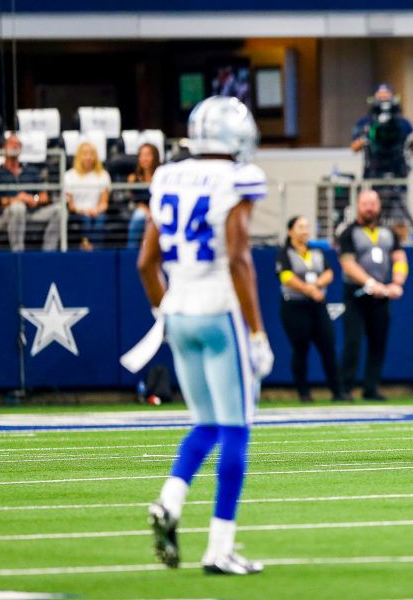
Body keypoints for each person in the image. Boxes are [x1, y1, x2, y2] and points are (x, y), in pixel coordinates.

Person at [137, 95, 272, 575]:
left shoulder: (166, 175)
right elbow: (238, 258)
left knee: (207, 423)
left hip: (178, 309)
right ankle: (219, 547)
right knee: (236, 427)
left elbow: (145, 263)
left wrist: (164, 312)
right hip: (219, 309)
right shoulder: (237, 177)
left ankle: (170, 502)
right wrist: (257, 331)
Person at [337, 189, 407, 401]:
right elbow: (347, 264)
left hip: (381, 296)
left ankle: (371, 387)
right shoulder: (348, 232)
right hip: (357, 295)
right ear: (358, 205)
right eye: (365, 203)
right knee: (353, 342)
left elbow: (400, 257)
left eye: (373, 203)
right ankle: (344, 388)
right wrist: (369, 282)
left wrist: (397, 282)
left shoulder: (388, 232)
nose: (370, 207)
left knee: (378, 342)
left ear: (378, 206)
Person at [277, 216, 345, 402]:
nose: (305, 231)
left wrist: (315, 286)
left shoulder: (316, 252)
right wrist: (310, 290)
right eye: (300, 227)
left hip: (317, 305)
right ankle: (303, 392)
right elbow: (286, 277)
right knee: (301, 349)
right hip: (295, 306)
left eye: (307, 227)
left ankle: (337, 391)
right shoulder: (285, 253)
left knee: (328, 346)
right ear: (291, 231)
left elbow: (329, 272)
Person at [350, 83, 413, 231]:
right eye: (380, 98)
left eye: (387, 97)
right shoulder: (366, 122)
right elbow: (354, 147)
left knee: (399, 221)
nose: (384, 101)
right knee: (370, 218)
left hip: (398, 176)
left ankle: (399, 248)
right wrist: (364, 139)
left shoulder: (403, 122)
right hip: (374, 175)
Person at [0, 134, 63, 252]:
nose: (15, 146)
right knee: (18, 208)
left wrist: (34, 198)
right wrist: (14, 200)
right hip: (4, 217)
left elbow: (44, 196)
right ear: (4, 147)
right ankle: (18, 253)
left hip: (31, 214)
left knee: (60, 210)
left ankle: (48, 252)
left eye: (18, 144)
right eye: (11, 144)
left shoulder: (31, 171)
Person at [64, 141, 111, 250]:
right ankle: (86, 246)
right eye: (85, 154)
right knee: (85, 219)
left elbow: (104, 203)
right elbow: (71, 206)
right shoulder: (69, 176)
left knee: (101, 218)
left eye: (91, 154)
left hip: (97, 211)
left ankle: (95, 249)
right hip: (78, 212)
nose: (88, 157)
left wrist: (95, 210)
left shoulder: (103, 175)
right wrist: (84, 211)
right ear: (79, 156)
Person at [127, 143, 160, 248]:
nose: (144, 158)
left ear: (154, 157)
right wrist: (146, 211)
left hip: (158, 209)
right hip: (141, 210)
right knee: (139, 216)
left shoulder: (161, 176)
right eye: (142, 155)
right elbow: (133, 200)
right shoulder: (132, 178)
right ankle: (130, 249)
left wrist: (153, 212)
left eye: (148, 155)